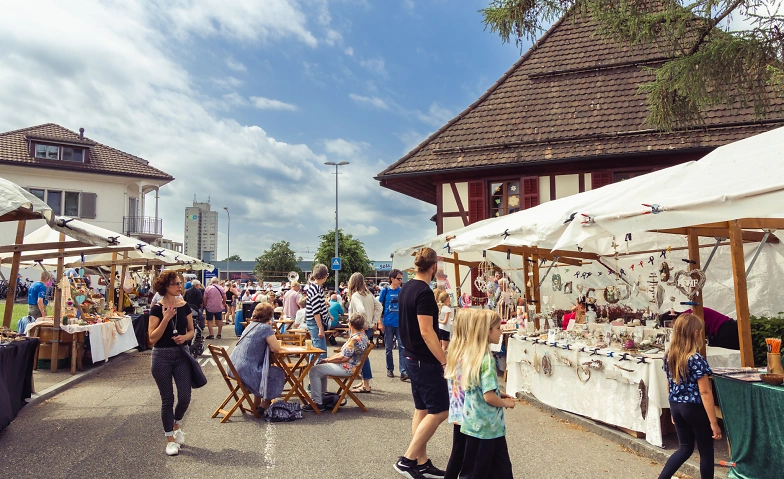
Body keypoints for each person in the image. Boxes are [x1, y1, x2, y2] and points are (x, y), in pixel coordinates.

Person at [394, 247, 448, 479]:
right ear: (433, 267)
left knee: (422, 409)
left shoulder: (407, 287)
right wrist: (444, 360)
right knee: (440, 410)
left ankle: (421, 461)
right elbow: (427, 332)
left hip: (411, 356)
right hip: (423, 359)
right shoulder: (424, 292)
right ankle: (407, 460)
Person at [444, 309, 515, 479]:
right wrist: (506, 403)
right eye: (498, 328)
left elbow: (476, 387)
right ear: (487, 331)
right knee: (490, 470)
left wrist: (498, 392)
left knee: (477, 467)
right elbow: (488, 396)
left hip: (473, 423)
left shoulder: (469, 355)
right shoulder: (486, 359)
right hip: (486, 426)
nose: (501, 331)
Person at [658, 313, 721, 479]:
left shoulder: (669, 355)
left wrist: (673, 410)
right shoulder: (696, 359)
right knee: (706, 451)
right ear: (695, 333)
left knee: (684, 448)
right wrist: (714, 422)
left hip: (676, 405)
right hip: (694, 407)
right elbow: (705, 392)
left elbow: (669, 384)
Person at [147, 270, 195, 457]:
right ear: (165, 287)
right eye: (175, 283)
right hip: (161, 356)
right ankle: (170, 440)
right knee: (167, 399)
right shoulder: (156, 309)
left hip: (181, 355)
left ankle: (176, 424)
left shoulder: (185, 306)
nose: (179, 286)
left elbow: (191, 331)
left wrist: (185, 337)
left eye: (180, 283)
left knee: (185, 397)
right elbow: (152, 338)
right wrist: (166, 319)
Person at [303, 312, 369, 412]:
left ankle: (317, 402)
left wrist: (327, 360)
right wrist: (327, 360)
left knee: (314, 370)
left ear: (350, 324)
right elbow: (343, 354)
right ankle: (321, 397)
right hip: (354, 366)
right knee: (320, 369)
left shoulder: (354, 339)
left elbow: (343, 358)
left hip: (347, 368)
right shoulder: (362, 336)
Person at [229, 302, 285, 415]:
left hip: (233, 368)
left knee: (263, 370)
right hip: (245, 370)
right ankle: (265, 403)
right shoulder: (265, 328)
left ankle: (256, 404)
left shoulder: (250, 325)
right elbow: (276, 348)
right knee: (277, 373)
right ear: (269, 315)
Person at [348, 272, 382, 394]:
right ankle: (364, 381)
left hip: (359, 329)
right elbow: (379, 307)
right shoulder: (368, 294)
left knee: (362, 357)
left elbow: (361, 310)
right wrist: (372, 322)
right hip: (367, 328)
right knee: (363, 355)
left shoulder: (356, 295)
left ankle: (366, 385)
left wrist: (363, 324)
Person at [379, 269, 407, 380]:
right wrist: (380, 322)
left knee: (402, 348)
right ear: (392, 279)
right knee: (388, 348)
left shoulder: (402, 291)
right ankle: (390, 369)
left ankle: (403, 371)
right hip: (388, 324)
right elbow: (379, 308)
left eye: (401, 279)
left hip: (400, 324)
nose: (400, 281)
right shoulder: (385, 291)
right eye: (398, 279)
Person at [305, 264, 330, 359]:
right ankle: (318, 368)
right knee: (320, 351)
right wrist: (320, 328)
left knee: (315, 349)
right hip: (315, 322)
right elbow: (316, 311)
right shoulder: (316, 289)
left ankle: (312, 367)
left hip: (313, 321)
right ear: (325, 277)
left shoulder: (314, 288)